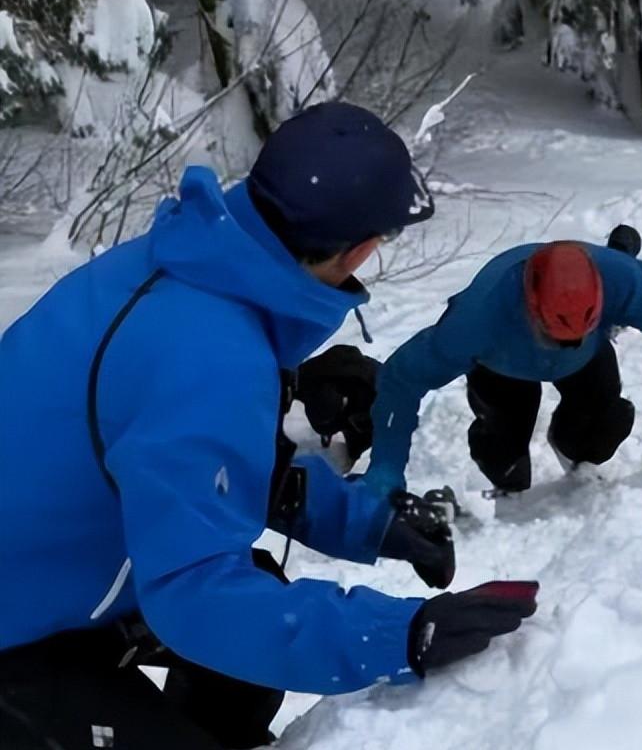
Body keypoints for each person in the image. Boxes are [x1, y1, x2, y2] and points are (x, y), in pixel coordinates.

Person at [0, 102, 538, 749]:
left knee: (249, 623)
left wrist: (370, 522)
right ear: (362, 249)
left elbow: (220, 469)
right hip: (19, 633)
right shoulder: (210, 352)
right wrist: (400, 635)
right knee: (229, 609)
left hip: (51, 574)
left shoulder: (191, 267)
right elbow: (196, 593)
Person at [365, 241, 642, 496]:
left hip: (587, 358)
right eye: (554, 336)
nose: (563, 342)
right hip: (502, 366)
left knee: (606, 425)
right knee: (507, 465)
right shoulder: (475, 320)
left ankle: (572, 444)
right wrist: (386, 466)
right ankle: (503, 458)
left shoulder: (618, 278)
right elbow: (402, 379)